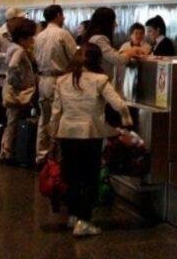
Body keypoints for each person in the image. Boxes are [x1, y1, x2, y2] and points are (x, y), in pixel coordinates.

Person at [50, 43, 133, 237]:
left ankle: (72, 216)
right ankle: (84, 221)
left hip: (66, 133)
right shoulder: (100, 79)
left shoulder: (62, 80)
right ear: (97, 60)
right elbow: (119, 104)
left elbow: (55, 112)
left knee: (70, 176)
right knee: (88, 178)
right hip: (90, 135)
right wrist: (127, 121)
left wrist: (52, 134)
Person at [33, 5, 78, 165]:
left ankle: (41, 156)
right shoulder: (63, 34)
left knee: (43, 119)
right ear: (58, 15)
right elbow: (75, 57)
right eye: (63, 15)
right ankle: (55, 159)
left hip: (42, 79)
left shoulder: (39, 36)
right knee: (57, 119)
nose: (64, 18)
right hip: (59, 80)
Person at [0, 17, 38, 163]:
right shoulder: (20, 50)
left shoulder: (11, 47)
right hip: (17, 91)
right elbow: (13, 66)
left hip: (10, 89)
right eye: (31, 37)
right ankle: (7, 152)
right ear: (24, 38)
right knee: (13, 122)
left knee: (11, 121)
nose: (33, 40)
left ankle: (6, 150)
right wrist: (19, 83)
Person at [84, 8, 143, 84]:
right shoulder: (98, 39)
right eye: (113, 21)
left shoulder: (95, 37)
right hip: (96, 83)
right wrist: (132, 51)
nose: (116, 24)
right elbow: (118, 59)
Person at [0, 8, 26, 103]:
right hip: (0, 79)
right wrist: (9, 56)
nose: (22, 22)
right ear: (11, 20)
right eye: (20, 20)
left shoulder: (18, 35)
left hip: (15, 80)